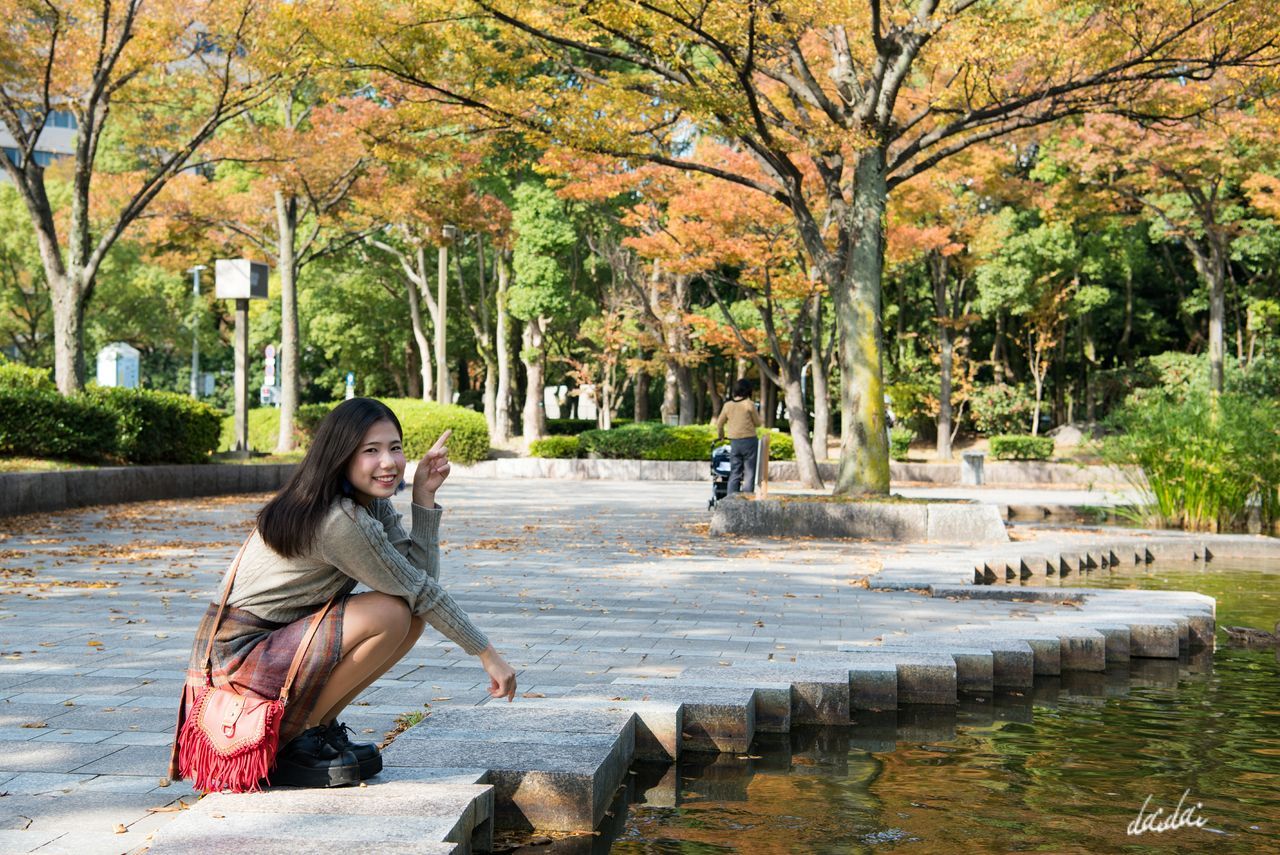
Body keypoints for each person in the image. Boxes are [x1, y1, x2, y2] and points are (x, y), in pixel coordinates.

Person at [172, 397, 516, 789]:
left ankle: (315, 729)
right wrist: (487, 654)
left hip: (273, 640)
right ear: (342, 456)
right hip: (241, 653)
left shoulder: (362, 503)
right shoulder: (339, 520)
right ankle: (292, 740)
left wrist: (423, 497)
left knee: (407, 615)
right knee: (391, 614)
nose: (388, 462)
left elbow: (416, 579)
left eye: (395, 448)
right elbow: (419, 588)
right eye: (371, 451)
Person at [714, 378, 763, 496]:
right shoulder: (749, 404)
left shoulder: (727, 405)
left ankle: (731, 499)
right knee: (749, 472)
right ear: (748, 391)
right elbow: (758, 423)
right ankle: (747, 500)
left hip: (734, 442)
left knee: (735, 471)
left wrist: (721, 436)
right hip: (749, 441)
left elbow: (719, 424)